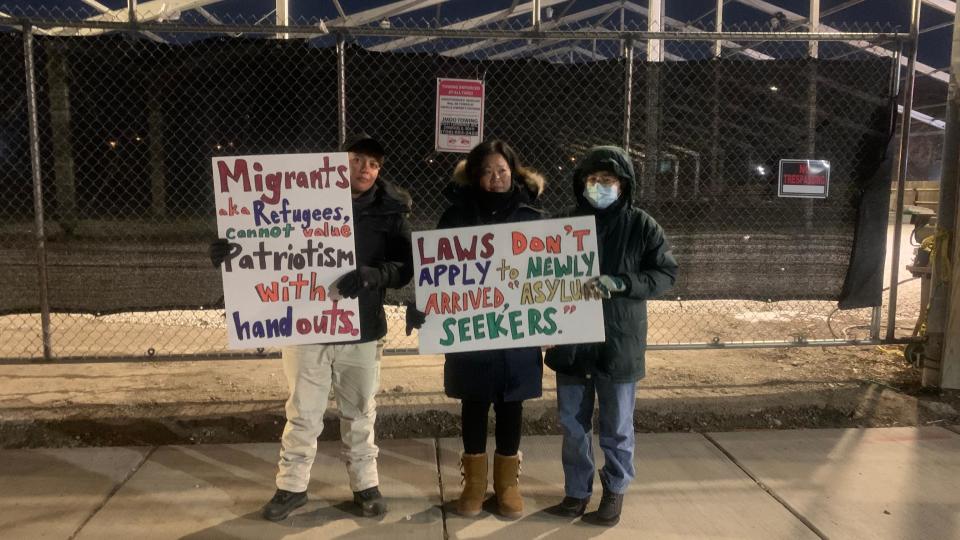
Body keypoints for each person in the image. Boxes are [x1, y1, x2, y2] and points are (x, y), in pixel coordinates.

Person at [209, 134, 413, 521]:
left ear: (380, 169)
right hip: (305, 324)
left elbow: (406, 267)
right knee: (303, 412)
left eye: (373, 163)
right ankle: (291, 487)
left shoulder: (390, 210)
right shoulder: (299, 196)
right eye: (357, 160)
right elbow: (260, 235)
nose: (365, 169)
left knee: (360, 411)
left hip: (362, 327)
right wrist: (228, 249)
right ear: (340, 162)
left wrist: (373, 275)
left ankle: (365, 484)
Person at [406, 140, 546, 519]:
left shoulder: (532, 217)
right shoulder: (455, 218)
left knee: (511, 404)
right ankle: (472, 484)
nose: (495, 178)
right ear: (474, 176)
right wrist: (421, 304)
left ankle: (507, 486)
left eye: (502, 170)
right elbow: (436, 272)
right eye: (487, 171)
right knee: (473, 402)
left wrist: (554, 314)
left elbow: (548, 272)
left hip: (516, 332)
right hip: (472, 331)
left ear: (513, 172)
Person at [545, 145, 677, 527]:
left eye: (607, 180)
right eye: (591, 180)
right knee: (573, 423)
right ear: (580, 183)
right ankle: (576, 491)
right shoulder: (563, 223)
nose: (598, 186)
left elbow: (665, 274)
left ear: (623, 184)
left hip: (619, 341)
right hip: (572, 342)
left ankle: (615, 491)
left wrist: (622, 283)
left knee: (617, 426)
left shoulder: (642, 226)